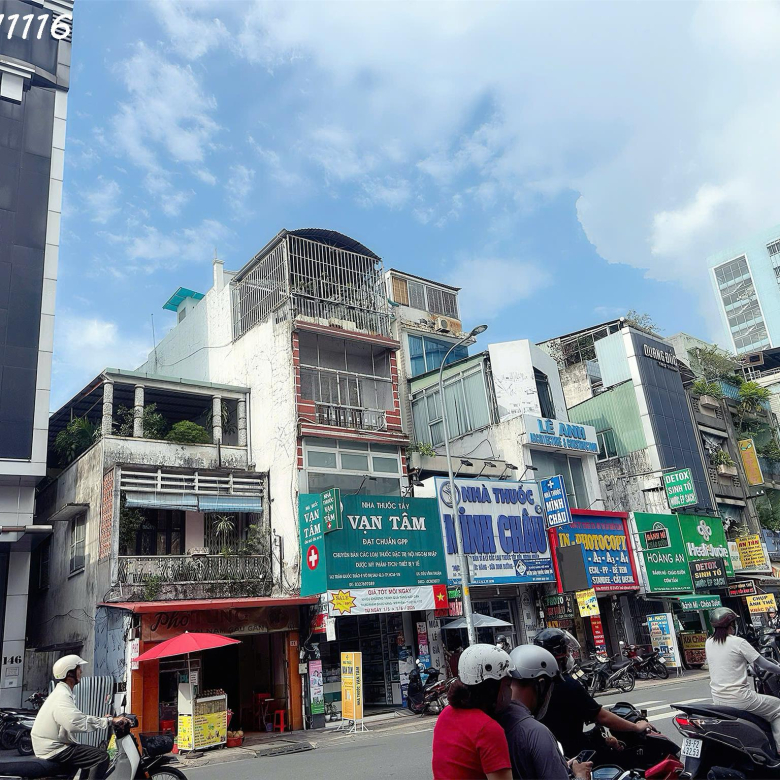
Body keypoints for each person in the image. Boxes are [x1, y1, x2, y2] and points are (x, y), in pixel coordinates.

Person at [534, 628, 652, 760]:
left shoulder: (535, 684)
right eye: (567, 650)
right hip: (572, 755)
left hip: (551, 750)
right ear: (559, 653)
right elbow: (602, 717)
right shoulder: (567, 684)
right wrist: (636, 727)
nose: (569, 654)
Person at [497, 644, 592, 780]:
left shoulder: (495, 721)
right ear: (541, 685)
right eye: (550, 687)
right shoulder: (536, 732)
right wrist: (581, 776)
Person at [32, 655, 127, 779]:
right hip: (53, 748)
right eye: (78, 668)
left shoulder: (62, 692)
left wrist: (104, 719)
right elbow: (75, 722)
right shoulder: (62, 696)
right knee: (101, 757)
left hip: (52, 745)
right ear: (69, 673)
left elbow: (77, 717)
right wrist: (109, 721)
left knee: (89, 758)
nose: (81, 671)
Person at [431, 644, 514, 780]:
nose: (510, 691)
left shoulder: (445, 714)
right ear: (492, 688)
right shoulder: (488, 729)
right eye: (507, 685)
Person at [706, 607, 780, 746]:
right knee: (778, 708)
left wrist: (746, 669)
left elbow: (726, 663)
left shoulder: (709, 642)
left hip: (718, 699)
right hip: (740, 699)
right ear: (732, 624)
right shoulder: (738, 642)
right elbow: (766, 665)